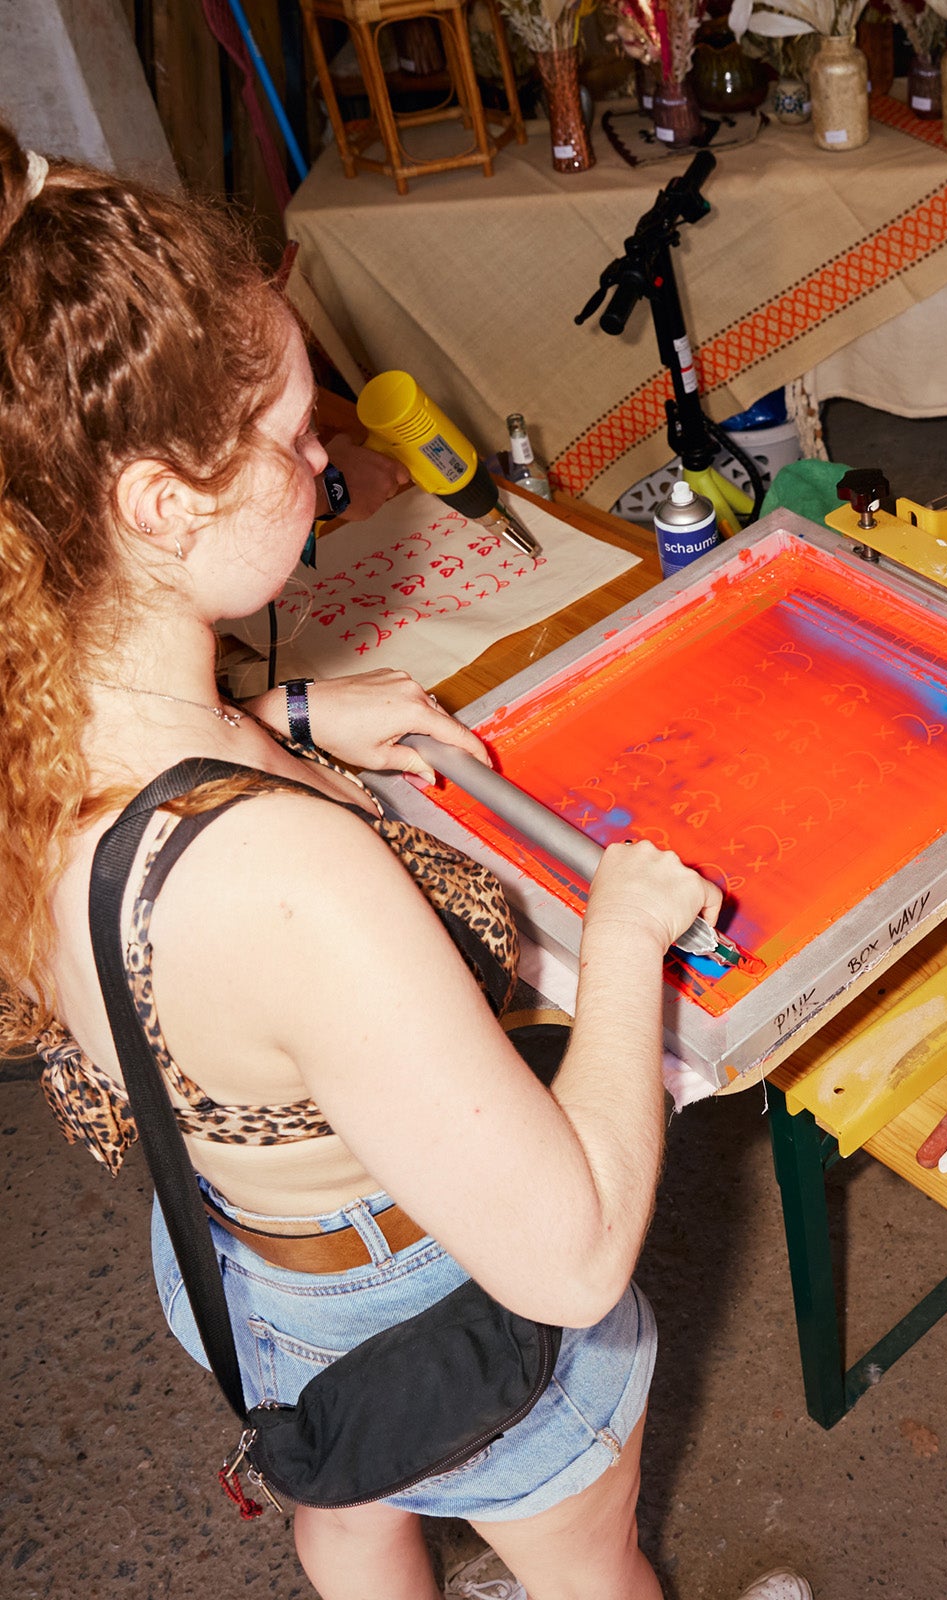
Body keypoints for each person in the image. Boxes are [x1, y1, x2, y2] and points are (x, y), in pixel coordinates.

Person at [0, 127, 808, 1600]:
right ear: (158, 506)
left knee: (349, 1500)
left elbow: (136, 774)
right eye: (298, 437)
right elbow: (566, 1262)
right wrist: (624, 932)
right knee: (587, 1553)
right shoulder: (295, 883)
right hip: (419, 1292)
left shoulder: (30, 717)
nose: (333, 468)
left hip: (241, 1272)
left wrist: (285, 711)